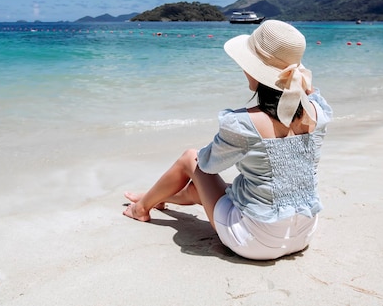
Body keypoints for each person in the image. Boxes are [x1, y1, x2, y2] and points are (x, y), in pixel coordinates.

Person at [123, 20, 333, 261]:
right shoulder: (318, 111)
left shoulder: (246, 123)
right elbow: (310, 93)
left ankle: (140, 209)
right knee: (199, 190)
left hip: (257, 241)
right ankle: (155, 197)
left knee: (189, 158)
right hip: (303, 233)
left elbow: (207, 165)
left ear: (254, 70)